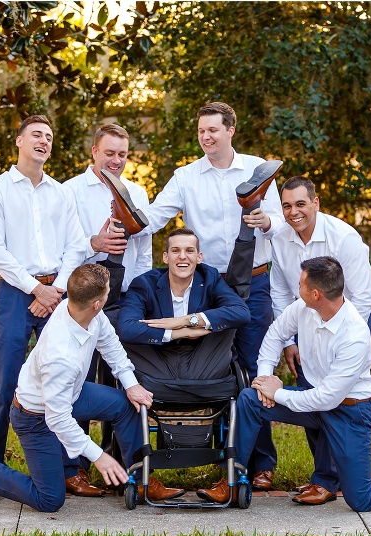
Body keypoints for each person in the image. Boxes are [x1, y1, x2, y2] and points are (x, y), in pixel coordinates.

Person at [102, 102, 284, 491]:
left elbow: (281, 223)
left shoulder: (257, 169)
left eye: (213, 130)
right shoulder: (185, 176)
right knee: (210, 362)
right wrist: (124, 221)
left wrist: (266, 220)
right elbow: (155, 216)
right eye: (201, 131)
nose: (206, 137)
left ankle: (259, 464)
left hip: (251, 279)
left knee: (254, 369)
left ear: (230, 130)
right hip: (204, 284)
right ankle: (220, 454)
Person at [196, 257, 371, 511]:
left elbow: (327, 399)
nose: (297, 289)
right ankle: (231, 480)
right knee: (250, 399)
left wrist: (279, 393)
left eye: (300, 284)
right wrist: (264, 379)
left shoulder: (354, 336)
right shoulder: (304, 308)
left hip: (349, 412)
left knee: (361, 499)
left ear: (316, 293)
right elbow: (276, 334)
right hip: (314, 400)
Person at [0, 264, 184, 512]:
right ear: (97, 303)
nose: (108, 296)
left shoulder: (79, 309)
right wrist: (99, 456)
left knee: (125, 405)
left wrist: (132, 384)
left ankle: (141, 481)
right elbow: (58, 419)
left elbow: (111, 346)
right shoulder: (61, 357)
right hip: (35, 417)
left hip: (70, 395)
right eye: (107, 293)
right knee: (50, 499)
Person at [0, 114, 101, 502]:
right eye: (36, 135)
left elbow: (76, 245)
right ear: (19, 141)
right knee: (4, 384)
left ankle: (70, 471)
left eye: (49, 136)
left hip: (59, 295)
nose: (44, 141)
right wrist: (35, 289)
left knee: (70, 380)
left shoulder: (60, 193)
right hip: (15, 295)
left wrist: (58, 289)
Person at [270, 176, 371, 503]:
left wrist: (332, 332)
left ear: (315, 203)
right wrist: (290, 340)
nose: (293, 212)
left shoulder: (344, 238)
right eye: (286, 205)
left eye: (300, 204)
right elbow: (278, 291)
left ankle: (329, 480)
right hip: (302, 323)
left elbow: (364, 296)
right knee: (309, 394)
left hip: (349, 321)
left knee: (335, 397)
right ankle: (324, 477)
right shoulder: (279, 239)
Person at [63, 123, 152, 470]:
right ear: (94, 152)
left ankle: (117, 457)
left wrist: (141, 295)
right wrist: (95, 243)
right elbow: (65, 246)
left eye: (122, 155)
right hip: (83, 295)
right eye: (109, 153)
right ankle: (76, 468)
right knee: (80, 380)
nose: (116, 161)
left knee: (119, 376)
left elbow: (143, 252)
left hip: (125, 296)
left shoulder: (137, 192)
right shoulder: (69, 191)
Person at [117, 228, 250, 386]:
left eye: (189, 250)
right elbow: (126, 328)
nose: (182, 256)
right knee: (119, 326)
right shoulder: (144, 284)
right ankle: (176, 385)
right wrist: (178, 332)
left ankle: (188, 385)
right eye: (175, 250)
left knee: (226, 322)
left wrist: (186, 320)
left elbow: (242, 313)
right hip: (157, 360)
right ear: (166, 257)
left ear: (199, 257)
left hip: (203, 361)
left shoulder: (210, 278)